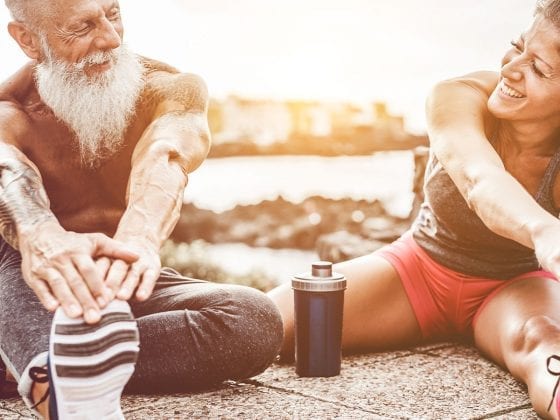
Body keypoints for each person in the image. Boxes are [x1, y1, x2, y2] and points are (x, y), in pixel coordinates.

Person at [269, 0, 560, 418]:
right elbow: (479, 179)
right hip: (416, 271)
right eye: (518, 47)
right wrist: (545, 232)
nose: (511, 69)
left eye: (538, 68)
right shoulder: (458, 95)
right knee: (266, 323)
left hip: (515, 288)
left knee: (543, 340)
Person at [0, 0, 283, 418]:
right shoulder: (11, 111)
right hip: (25, 277)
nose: (111, 39)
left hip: (120, 279)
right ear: (28, 40)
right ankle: (61, 381)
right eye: (82, 28)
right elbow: (8, 173)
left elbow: (165, 155)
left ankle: (60, 362)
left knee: (253, 318)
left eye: (113, 14)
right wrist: (42, 235)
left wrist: (138, 239)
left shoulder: (169, 87)